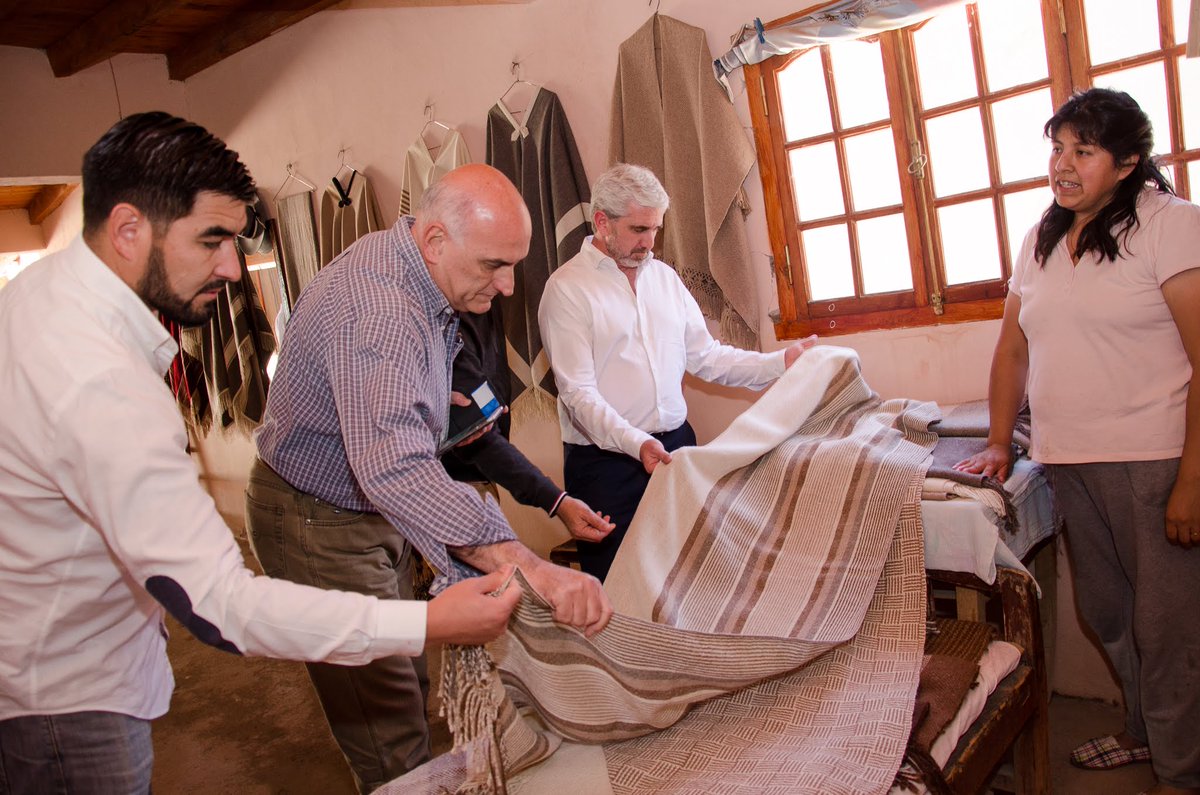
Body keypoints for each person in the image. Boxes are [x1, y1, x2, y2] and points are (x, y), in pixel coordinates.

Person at [0, 112, 522, 794]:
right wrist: (428, 619)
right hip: (66, 694)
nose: (231, 267)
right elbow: (220, 604)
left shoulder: (40, 297)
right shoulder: (104, 381)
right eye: (212, 240)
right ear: (129, 229)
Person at [247, 163, 613, 793]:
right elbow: (394, 465)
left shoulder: (418, 272)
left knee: (405, 673)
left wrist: (547, 505)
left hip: (359, 510)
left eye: (513, 267)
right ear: (437, 240)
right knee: (387, 719)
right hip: (314, 519)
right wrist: (530, 565)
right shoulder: (384, 310)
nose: (505, 287)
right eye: (493, 266)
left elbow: (450, 433)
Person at [955, 88, 1200, 795]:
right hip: (1068, 459)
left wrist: (1191, 478)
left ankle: (1182, 771)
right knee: (1109, 613)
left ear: (1126, 162)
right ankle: (1144, 733)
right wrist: (1001, 441)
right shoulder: (1041, 240)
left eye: (1082, 151)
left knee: (1168, 625)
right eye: (1057, 149)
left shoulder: (1169, 224)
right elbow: (1012, 351)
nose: (1062, 166)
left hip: (1155, 460)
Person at [537, 163, 818, 581]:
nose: (649, 243)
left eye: (655, 229)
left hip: (675, 449)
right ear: (602, 222)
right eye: (638, 229)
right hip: (606, 465)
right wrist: (636, 444)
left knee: (689, 574)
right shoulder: (566, 290)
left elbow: (706, 357)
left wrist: (781, 364)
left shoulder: (665, 279)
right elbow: (579, 395)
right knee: (620, 586)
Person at [444, 309, 616, 544]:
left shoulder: (481, 305)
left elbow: (483, 408)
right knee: (503, 574)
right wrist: (558, 502)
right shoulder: (446, 323)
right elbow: (481, 438)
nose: (508, 288)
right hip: (453, 483)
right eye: (497, 271)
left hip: (479, 474)